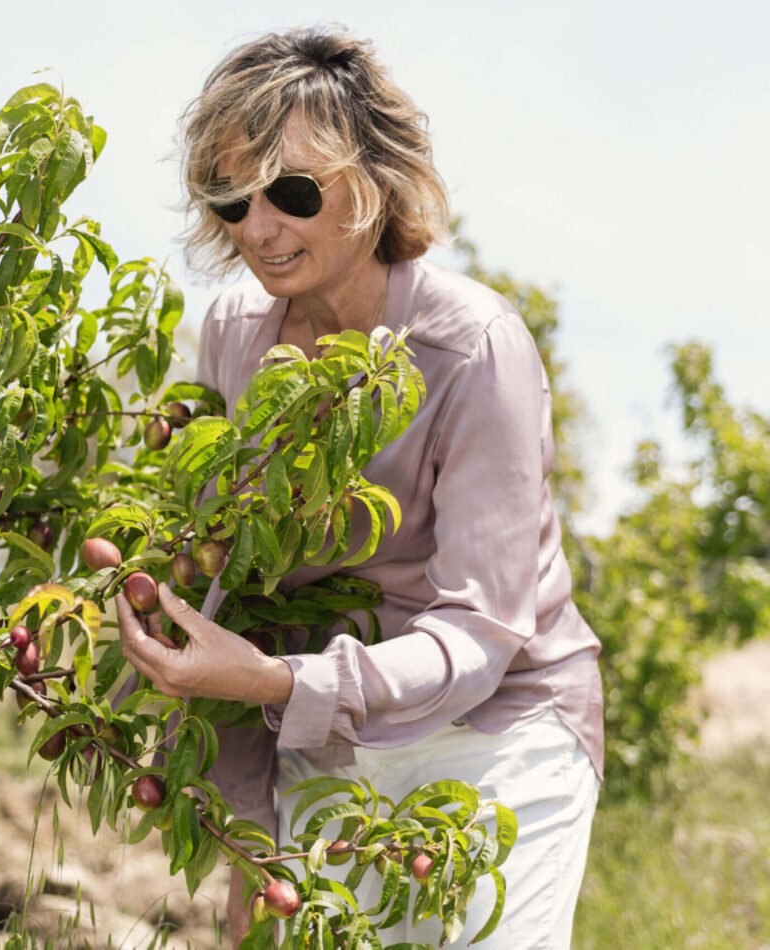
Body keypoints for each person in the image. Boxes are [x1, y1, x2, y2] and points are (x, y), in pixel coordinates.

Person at [115, 25, 604, 950]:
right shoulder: (234, 335)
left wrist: (274, 679)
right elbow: (241, 564)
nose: (261, 228)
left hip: (499, 732)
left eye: (293, 192)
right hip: (322, 723)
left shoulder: (473, 349)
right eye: (231, 198)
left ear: (374, 180)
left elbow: (482, 628)